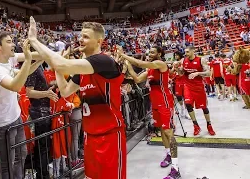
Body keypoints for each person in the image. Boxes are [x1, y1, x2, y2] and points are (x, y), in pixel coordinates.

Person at [28, 17, 127, 179]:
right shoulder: (84, 69)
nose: (81, 39)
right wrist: (58, 68)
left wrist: (34, 40)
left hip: (109, 134)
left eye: (86, 36)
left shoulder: (103, 60)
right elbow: (66, 91)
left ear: (99, 41)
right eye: (80, 36)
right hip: (90, 135)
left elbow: (61, 64)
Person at [118, 46, 181, 179]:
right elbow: (137, 79)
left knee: (169, 132)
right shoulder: (150, 69)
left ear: (159, 53)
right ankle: (168, 154)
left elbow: (140, 63)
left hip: (165, 103)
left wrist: (124, 56)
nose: (150, 53)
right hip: (156, 104)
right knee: (162, 131)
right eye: (149, 52)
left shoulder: (160, 64)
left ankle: (176, 169)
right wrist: (128, 65)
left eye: (153, 52)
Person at [0, 31, 43, 179]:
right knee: (7, 164)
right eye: (9, 42)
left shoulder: (10, 59)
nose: (13, 44)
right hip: (2, 123)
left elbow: (27, 70)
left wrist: (42, 57)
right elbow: (15, 86)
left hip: (15, 117)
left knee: (21, 154)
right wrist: (29, 59)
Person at [175, 46, 216, 136]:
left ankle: (209, 125)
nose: (186, 53)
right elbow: (181, 73)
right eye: (185, 52)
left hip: (199, 86)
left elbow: (209, 73)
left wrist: (198, 73)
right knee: (188, 104)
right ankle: (195, 125)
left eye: (187, 51)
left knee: (204, 107)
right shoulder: (183, 60)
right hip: (188, 86)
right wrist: (177, 68)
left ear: (193, 51)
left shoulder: (201, 60)